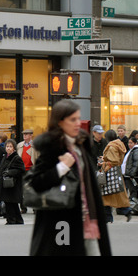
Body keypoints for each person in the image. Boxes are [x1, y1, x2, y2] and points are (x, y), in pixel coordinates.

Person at [29, 100, 111, 256]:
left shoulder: (80, 146)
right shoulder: (52, 148)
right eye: (73, 120)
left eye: (78, 119)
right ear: (60, 122)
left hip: (87, 218)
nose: (78, 124)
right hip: (62, 220)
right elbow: (37, 182)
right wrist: (61, 167)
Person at [101, 129, 132, 223]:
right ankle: (126, 211)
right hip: (116, 173)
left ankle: (109, 218)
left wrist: (104, 164)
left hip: (110, 173)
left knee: (105, 195)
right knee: (117, 195)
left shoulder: (111, 147)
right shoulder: (119, 144)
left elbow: (112, 161)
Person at [0, 139, 25, 225]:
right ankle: (17, 220)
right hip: (5, 184)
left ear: (14, 148)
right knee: (10, 203)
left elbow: (21, 170)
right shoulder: (5, 157)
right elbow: (0, 169)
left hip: (12, 185)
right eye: (7, 146)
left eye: (10, 146)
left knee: (11, 203)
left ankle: (12, 220)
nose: (8, 148)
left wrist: (10, 172)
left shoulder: (16, 157)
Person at [17, 129, 38, 214]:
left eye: (26, 134)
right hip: (22, 170)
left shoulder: (35, 146)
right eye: (24, 134)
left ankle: (35, 208)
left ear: (31, 135)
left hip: (32, 170)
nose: (24, 136)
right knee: (22, 190)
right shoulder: (19, 145)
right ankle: (23, 208)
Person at [122, 137, 138, 201]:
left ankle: (133, 207)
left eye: (131, 143)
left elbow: (136, 164)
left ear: (135, 143)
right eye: (128, 143)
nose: (129, 144)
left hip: (131, 176)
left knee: (133, 192)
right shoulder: (131, 150)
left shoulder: (135, 151)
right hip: (128, 175)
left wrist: (132, 174)